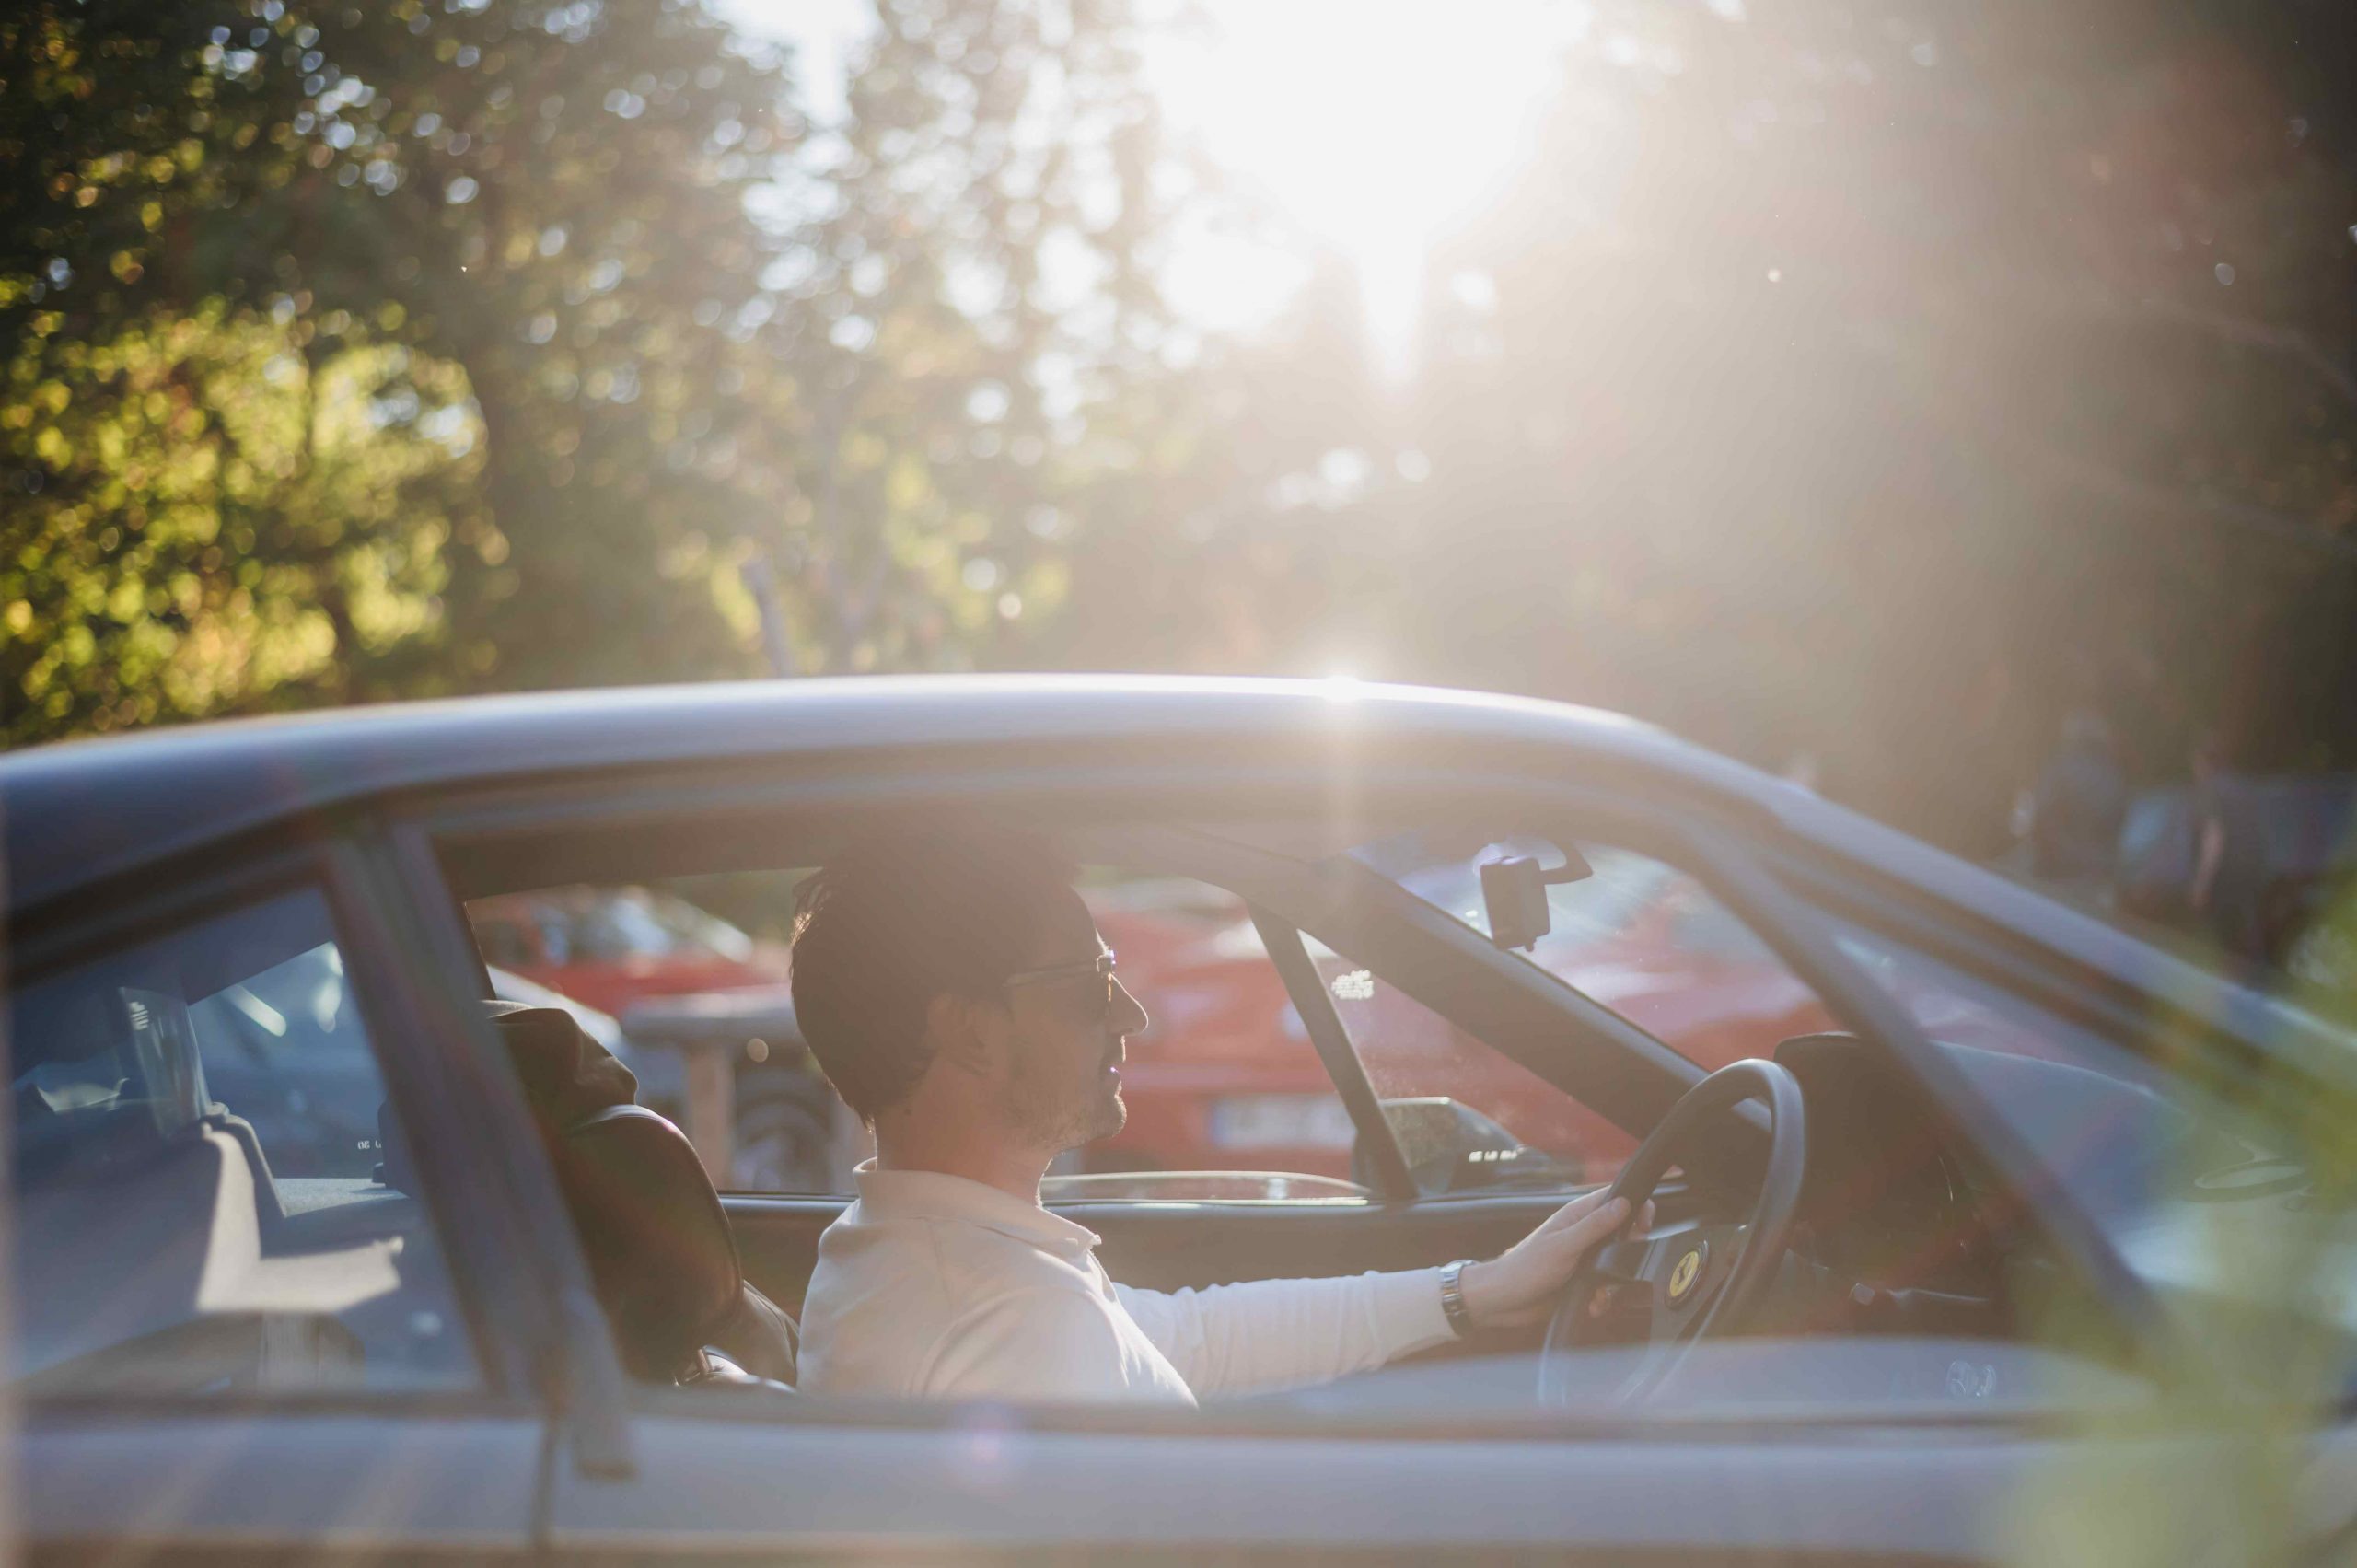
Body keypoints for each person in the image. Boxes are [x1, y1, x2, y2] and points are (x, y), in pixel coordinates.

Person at [788, 828, 1648, 1405]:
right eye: (1090, 981)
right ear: (966, 1029)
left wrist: (1473, 1293)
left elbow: (1187, 1339)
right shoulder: (1017, 1330)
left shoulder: (922, 1259)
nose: (1131, 1013)